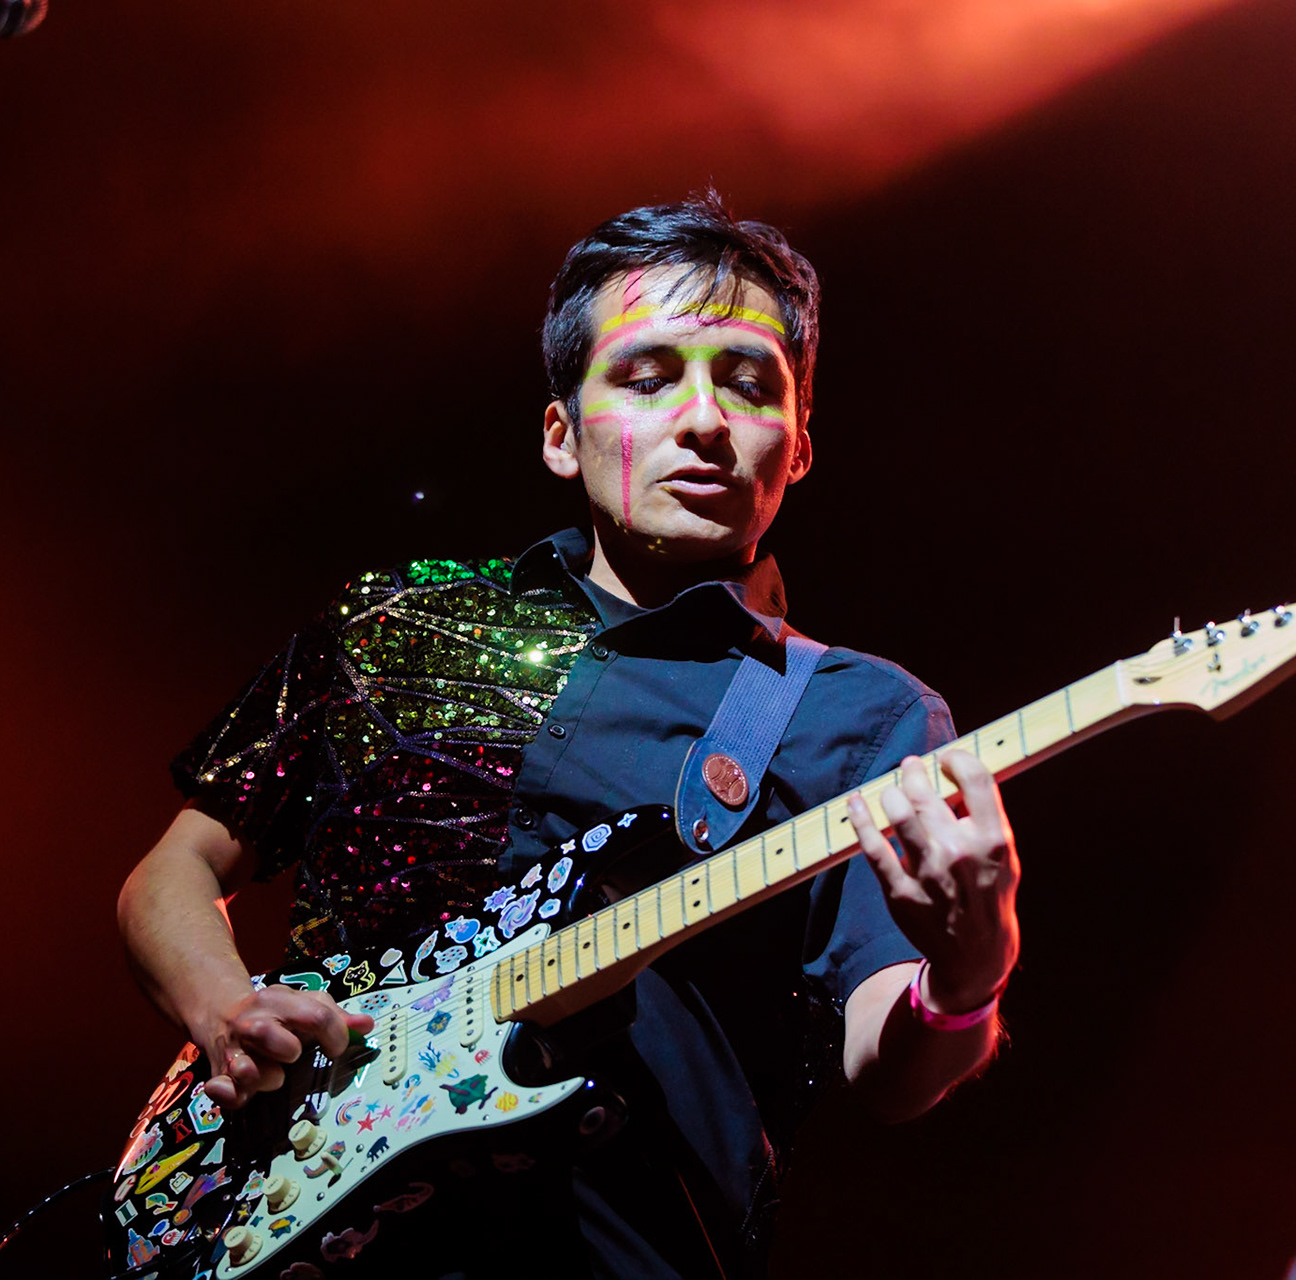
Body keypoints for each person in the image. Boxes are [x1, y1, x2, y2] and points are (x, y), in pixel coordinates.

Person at [116, 192, 1021, 1279]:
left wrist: (968, 975)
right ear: (560, 432)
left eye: (748, 384)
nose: (704, 421)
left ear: (800, 447)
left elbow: (894, 1063)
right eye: (648, 377)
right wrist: (222, 1006)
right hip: (276, 1215)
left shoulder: (859, 714)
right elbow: (175, 864)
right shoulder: (398, 620)